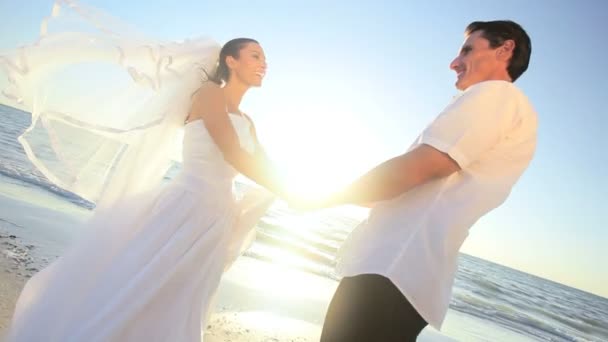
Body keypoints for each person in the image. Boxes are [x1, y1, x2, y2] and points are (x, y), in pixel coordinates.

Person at [2, 3, 284, 341]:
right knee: (136, 292)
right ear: (230, 60)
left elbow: (268, 168)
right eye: (255, 55)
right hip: (184, 210)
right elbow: (232, 152)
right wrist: (294, 192)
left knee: (180, 304)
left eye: (264, 58)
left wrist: (305, 193)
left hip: (217, 222)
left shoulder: (250, 122)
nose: (263, 63)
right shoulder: (210, 94)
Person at [316, 20, 537, 341]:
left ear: (505, 49)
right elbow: (412, 184)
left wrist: (322, 197)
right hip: (402, 271)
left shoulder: (496, 95)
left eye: (467, 49)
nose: (454, 62)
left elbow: (421, 167)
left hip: (392, 268)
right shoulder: (507, 108)